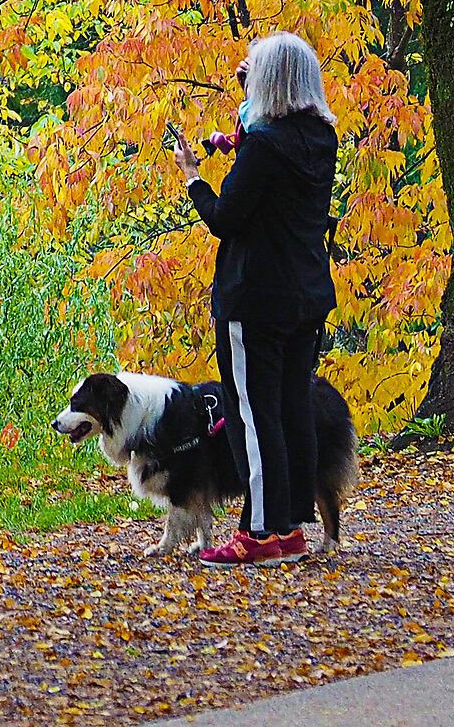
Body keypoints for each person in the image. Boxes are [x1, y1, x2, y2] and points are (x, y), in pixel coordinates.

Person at [168, 30, 338, 565]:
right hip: (305, 294)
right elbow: (267, 153)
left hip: (255, 298)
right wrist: (252, 96)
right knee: (290, 409)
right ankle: (290, 527)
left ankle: (262, 533)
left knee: (251, 413)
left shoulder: (264, 146)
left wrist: (193, 176)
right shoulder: (318, 138)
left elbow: (226, 218)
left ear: (268, 84)